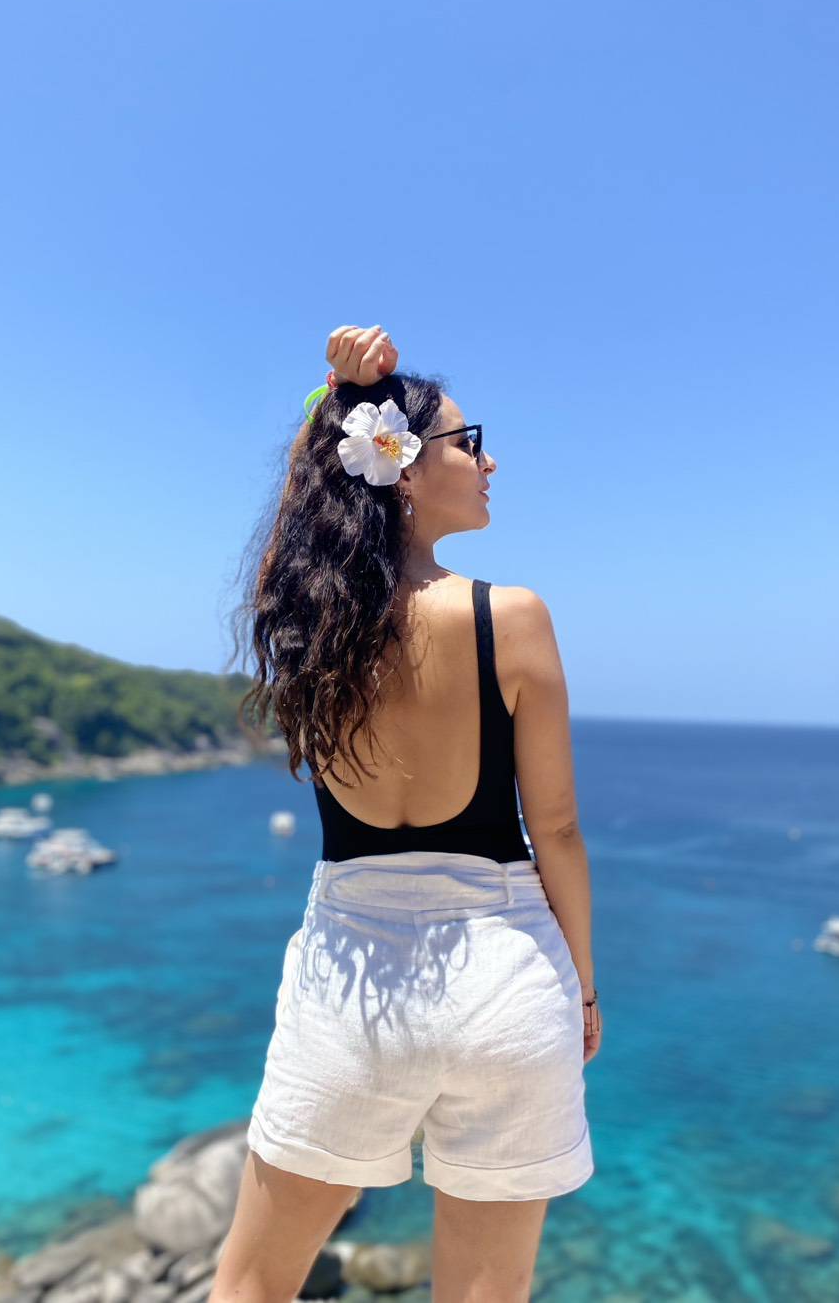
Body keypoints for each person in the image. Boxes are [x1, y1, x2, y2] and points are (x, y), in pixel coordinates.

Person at [212, 325, 602, 1303]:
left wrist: (332, 402)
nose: (489, 461)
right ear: (403, 467)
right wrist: (585, 991)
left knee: (252, 1283)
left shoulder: (309, 623)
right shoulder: (512, 617)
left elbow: (291, 531)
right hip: (506, 981)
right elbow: (556, 830)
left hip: (351, 986)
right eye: (471, 442)